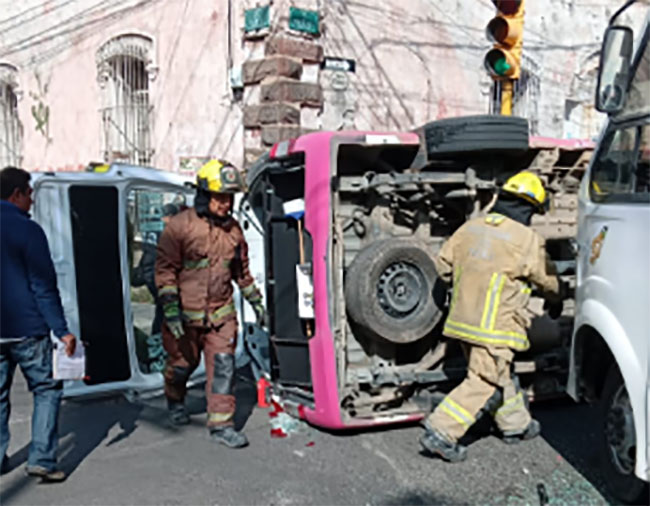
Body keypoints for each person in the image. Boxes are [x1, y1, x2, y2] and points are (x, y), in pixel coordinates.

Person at [419, 171, 565, 462]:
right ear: (529, 208)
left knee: (500, 373)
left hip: (461, 322)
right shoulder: (527, 239)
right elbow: (547, 280)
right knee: (484, 381)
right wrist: (558, 298)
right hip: (494, 328)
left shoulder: (470, 228)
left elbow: (444, 267)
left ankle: (516, 425)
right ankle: (441, 431)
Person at [155, 159, 264, 448]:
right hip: (184, 318)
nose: (226, 204)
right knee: (181, 366)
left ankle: (221, 425)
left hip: (221, 317)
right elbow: (165, 271)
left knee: (223, 368)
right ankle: (175, 400)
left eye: (229, 198)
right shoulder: (179, 227)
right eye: (220, 198)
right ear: (204, 196)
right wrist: (171, 312)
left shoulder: (234, 231)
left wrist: (259, 305)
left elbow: (242, 274)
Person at [0, 166, 77, 482]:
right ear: (16, 194)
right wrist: (62, 330)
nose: (32, 200)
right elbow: (43, 286)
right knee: (46, 389)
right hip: (28, 330)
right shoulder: (27, 230)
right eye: (30, 193)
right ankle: (42, 459)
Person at [132, 203, 180, 337]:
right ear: (169, 217)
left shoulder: (155, 230)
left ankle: (157, 339)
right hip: (156, 275)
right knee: (165, 310)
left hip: (152, 274)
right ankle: (158, 340)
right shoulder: (165, 232)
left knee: (162, 310)